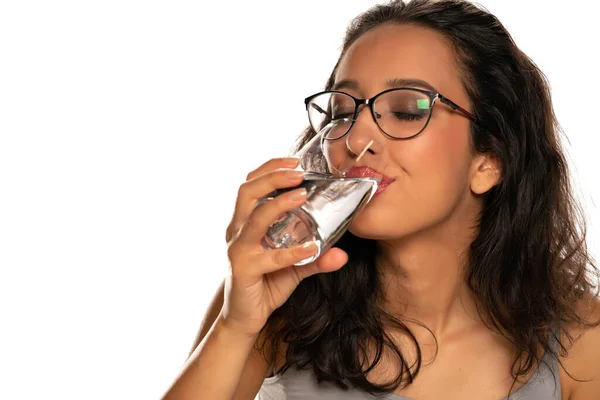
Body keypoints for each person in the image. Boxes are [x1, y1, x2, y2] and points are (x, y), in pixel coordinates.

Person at [162, 0, 600, 398]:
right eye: (342, 112)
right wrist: (236, 325)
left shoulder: (581, 341)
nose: (356, 137)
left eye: (408, 109)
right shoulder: (270, 301)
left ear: (489, 159)